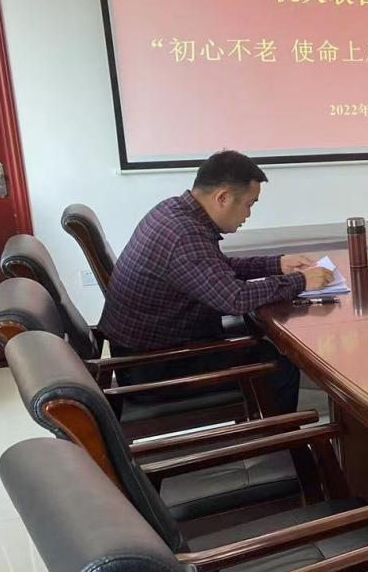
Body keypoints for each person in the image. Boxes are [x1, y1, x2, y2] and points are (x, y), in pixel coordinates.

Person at [99, 150, 332, 413]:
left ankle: (263, 420)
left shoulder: (174, 211)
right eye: (249, 204)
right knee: (277, 365)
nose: (248, 214)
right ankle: (278, 434)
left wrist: (276, 264)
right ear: (222, 197)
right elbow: (234, 298)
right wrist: (301, 281)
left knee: (263, 341)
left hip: (147, 352)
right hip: (155, 368)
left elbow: (216, 270)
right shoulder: (184, 234)